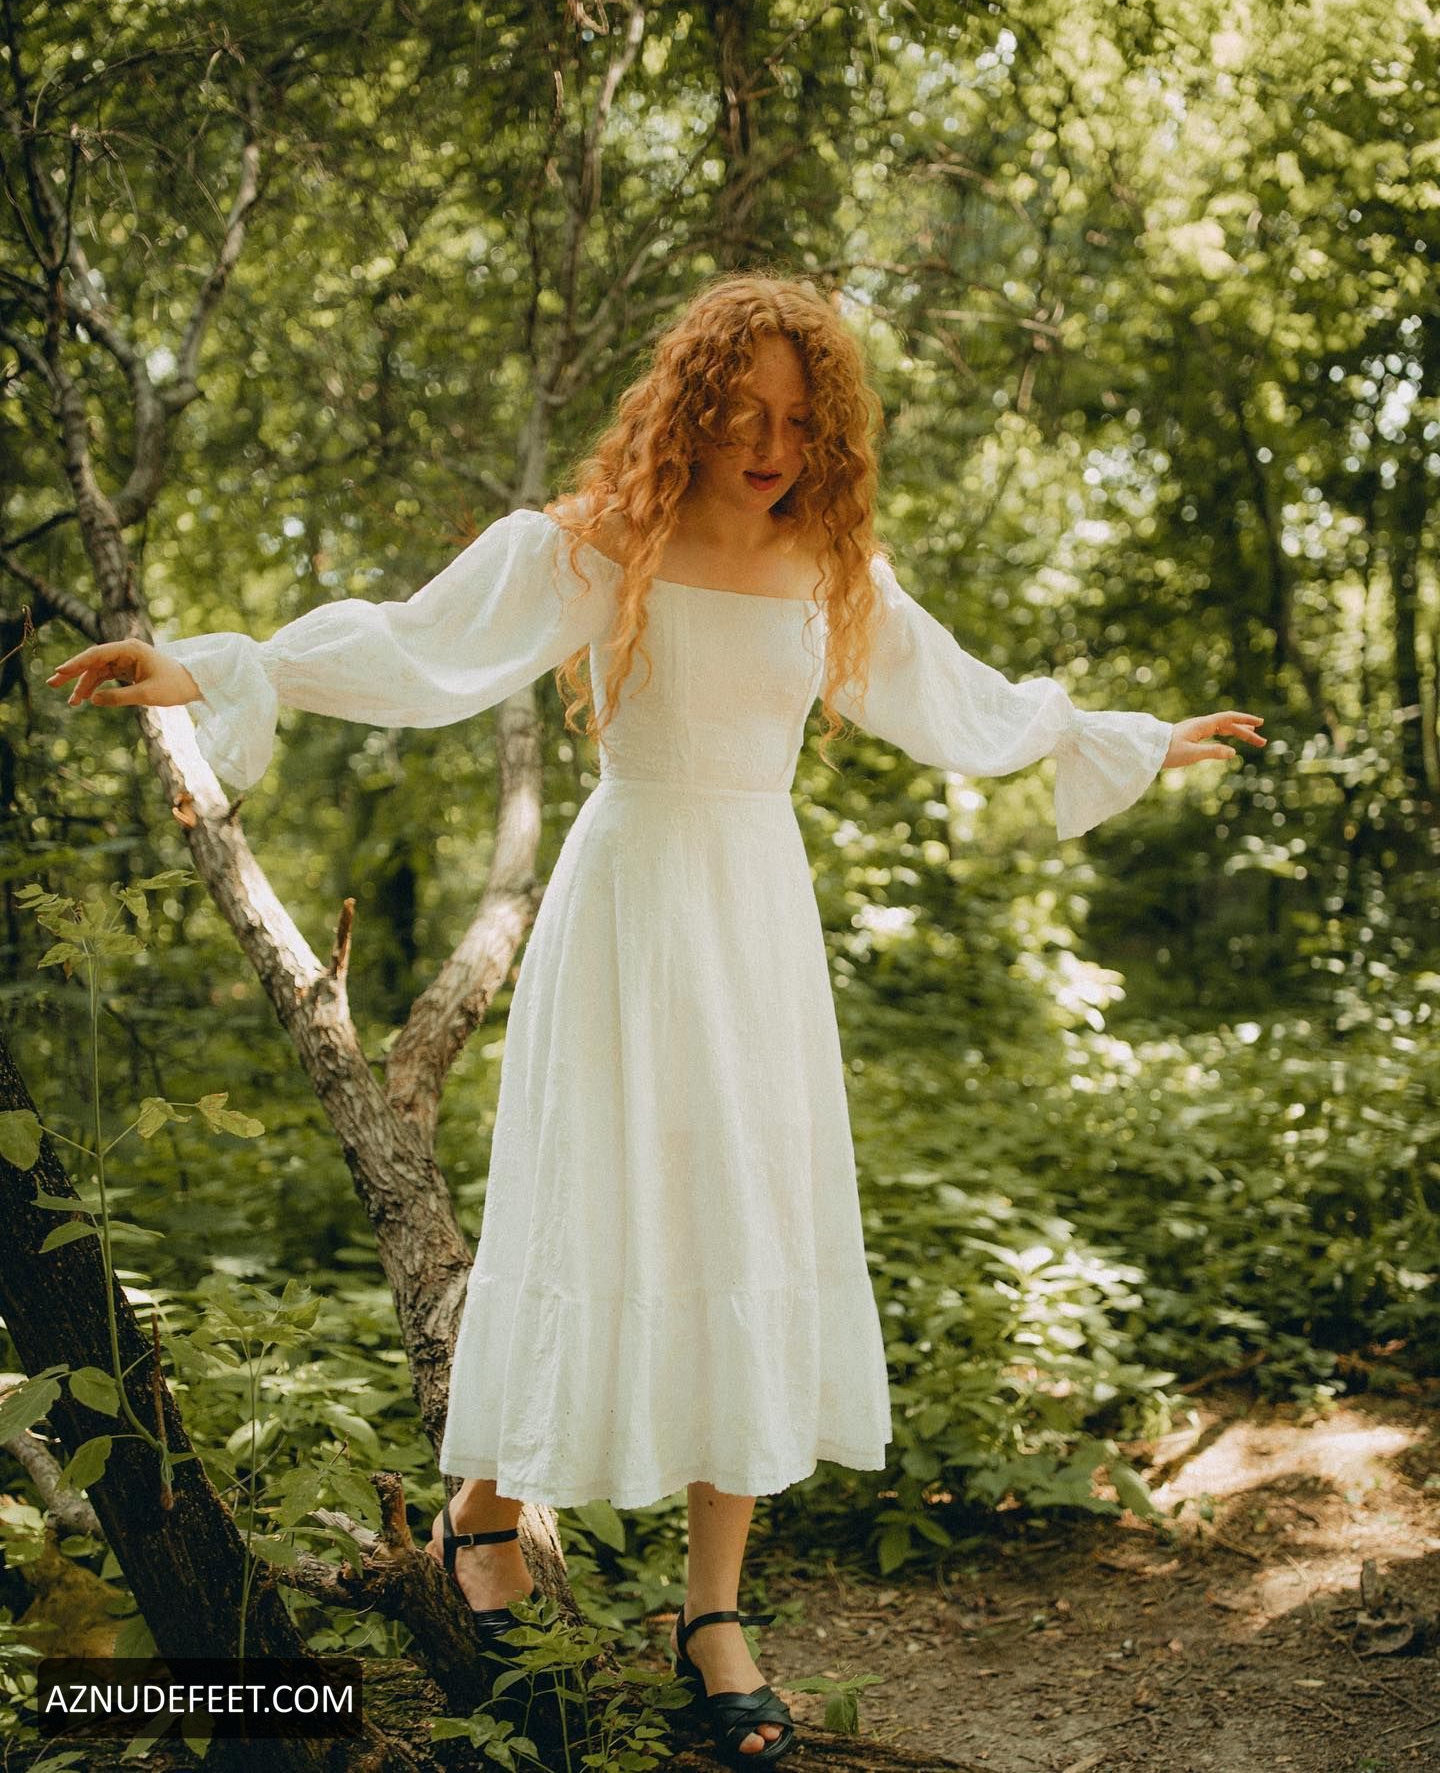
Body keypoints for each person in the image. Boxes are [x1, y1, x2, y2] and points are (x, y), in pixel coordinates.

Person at [48, 273, 1264, 1765]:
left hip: (756, 918)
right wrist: (214, 667)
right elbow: (421, 648)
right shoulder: (596, 542)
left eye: (800, 422)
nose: (771, 447)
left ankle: (712, 1618)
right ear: (691, 408)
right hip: (627, 911)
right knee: (589, 1203)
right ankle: (483, 1514)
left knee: (746, 1215)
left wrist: (1134, 741)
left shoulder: (835, 570)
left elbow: (968, 703)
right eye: (744, 414)